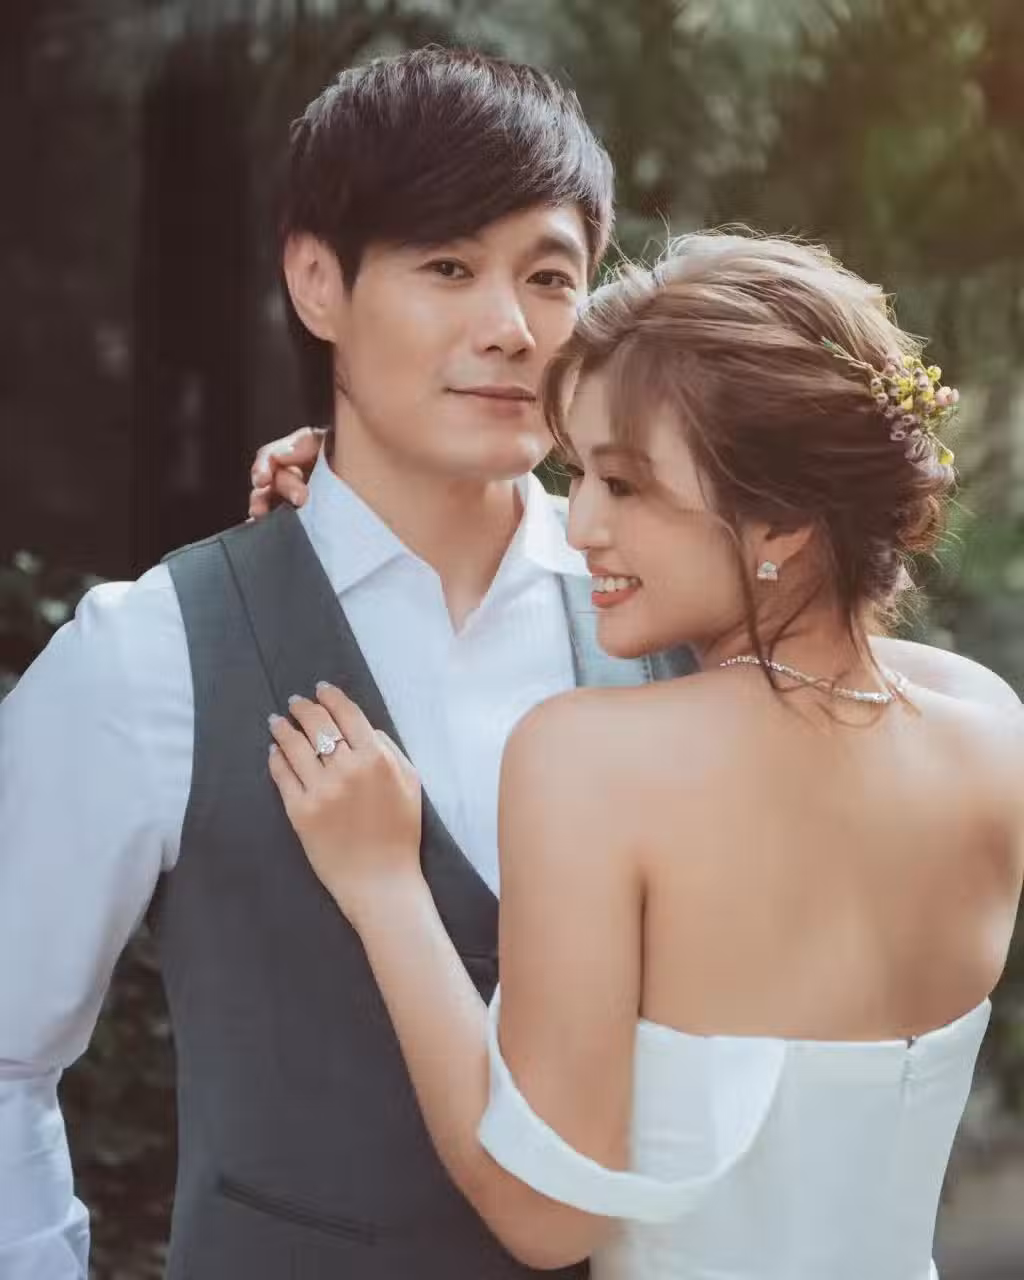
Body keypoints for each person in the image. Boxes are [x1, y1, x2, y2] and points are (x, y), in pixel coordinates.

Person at [0, 47, 699, 1280]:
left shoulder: (673, 630)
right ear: (317, 281)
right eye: (447, 266)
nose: (509, 328)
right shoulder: (150, 651)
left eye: (549, 276)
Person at [255, 232, 1024, 1279]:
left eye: (623, 484)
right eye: (577, 475)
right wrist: (362, 485)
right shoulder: (986, 723)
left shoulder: (592, 761)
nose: (580, 526)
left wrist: (385, 886)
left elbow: (546, 1216)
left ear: (783, 517)